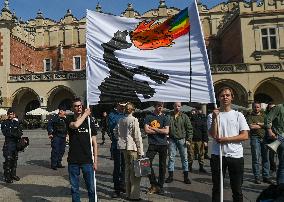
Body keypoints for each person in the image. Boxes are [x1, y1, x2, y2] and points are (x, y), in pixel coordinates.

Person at [208, 87, 249, 202]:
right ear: (218, 98)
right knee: (217, 187)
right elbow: (213, 134)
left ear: (232, 97)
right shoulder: (212, 115)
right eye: (222, 95)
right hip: (218, 155)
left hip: (235, 156)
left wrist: (226, 139)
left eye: (227, 95)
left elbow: (245, 136)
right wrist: (215, 118)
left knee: (237, 188)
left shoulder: (238, 115)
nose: (225, 97)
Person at [67, 98, 98, 202]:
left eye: (80, 105)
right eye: (76, 106)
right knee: (75, 189)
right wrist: (86, 114)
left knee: (91, 189)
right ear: (72, 108)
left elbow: (94, 142)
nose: (78, 107)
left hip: (87, 160)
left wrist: (96, 161)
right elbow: (75, 125)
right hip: (73, 160)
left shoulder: (89, 121)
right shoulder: (69, 119)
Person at [116, 102, 144, 201]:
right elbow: (137, 137)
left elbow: (116, 132)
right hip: (132, 148)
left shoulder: (120, 120)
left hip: (123, 147)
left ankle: (128, 194)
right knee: (135, 173)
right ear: (132, 110)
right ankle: (134, 196)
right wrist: (141, 151)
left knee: (127, 171)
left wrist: (121, 139)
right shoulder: (134, 120)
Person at [144, 102, 169, 194]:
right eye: (158, 106)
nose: (160, 108)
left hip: (163, 144)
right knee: (145, 163)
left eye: (161, 106)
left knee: (162, 166)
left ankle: (160, 186)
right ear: (155, 106)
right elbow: (146, 130)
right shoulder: (149, 117)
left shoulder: (165, 117)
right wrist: (160, 131)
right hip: (153, 144)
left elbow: (166, 131)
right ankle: (153, 184)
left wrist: (154, 129)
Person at [165, 102, 192, 184]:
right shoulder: (169, 116)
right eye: (176, 106)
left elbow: (189, 128)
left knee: (184, 158)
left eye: (179, 106)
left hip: (182, 140)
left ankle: (186, 177)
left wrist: (189, 139)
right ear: (173, 106)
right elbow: (165, 127)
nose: (177, 107)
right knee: (171, 158)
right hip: (172, 140)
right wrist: (166, 137)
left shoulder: (184, 116)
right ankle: (170, 176)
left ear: (181, 107)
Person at [246, 102, 272, 184]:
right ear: (253, 107)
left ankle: (266, 176)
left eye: (258, 107)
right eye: (255, 107)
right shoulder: (250, 116)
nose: (256, 108)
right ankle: (257, 177)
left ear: (260, 108)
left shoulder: (264, 116)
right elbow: (251, 126)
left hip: (264, 138)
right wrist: (263, 125)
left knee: (265, 158)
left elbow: (269, 124)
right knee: (256, 158)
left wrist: (258, 124)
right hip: (255, 138)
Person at [108, 102, 126, 197]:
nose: (123, 107)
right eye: (122, 106)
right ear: (118, 105)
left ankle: (123, 185)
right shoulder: (112, 115)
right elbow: (111, 128)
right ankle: (116, 189)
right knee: (117, 167)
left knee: (125, 166)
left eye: (124, 106)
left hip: (126, 145)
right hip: (117, 145)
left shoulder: (126, 113)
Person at [1, 108, 23, 183]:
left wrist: (15, 134)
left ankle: (13, 174)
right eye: (9, 114)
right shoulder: (4, 123)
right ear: (7, 115)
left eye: (12, 114)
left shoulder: (17, 123)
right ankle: (7, 177)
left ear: (14, 115)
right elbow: (6, 133)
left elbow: (20, 133)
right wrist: (15, 134)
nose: (10, 115)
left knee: (14, 160)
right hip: (8, 144)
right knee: (8, 160)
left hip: (15, 144)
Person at [265, 103, 284, 185]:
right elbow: (267, 119)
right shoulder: (279, 107)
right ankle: (280, 184)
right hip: (281, 138)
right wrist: (270, 131)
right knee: (283, 163)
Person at [47, 105, 68, 170]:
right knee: (55, 150)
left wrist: (67, 134)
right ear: (60, 111)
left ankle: (59, 163)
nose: (65, 113)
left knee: (62, 150)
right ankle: (54, 164)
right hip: (56, 136)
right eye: (64, 111)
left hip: (63, 136)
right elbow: (49, 125)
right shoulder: (54, 117)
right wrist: (50, 133)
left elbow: (67, 127)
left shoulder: (65, 119)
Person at [188, 107, 208, 173]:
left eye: (194, 113)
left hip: (200, 140)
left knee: (201, 154)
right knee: (190, 154)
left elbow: (205, 131)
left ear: (196, 113)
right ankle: (189, 167)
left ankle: (201, 168)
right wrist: (187, 139)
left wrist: (205, 141)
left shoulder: (201, 121)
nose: (192, 114)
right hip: (191, 140)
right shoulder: (189, 121)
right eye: (191, 113)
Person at [265, 103, 276, 172]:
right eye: (270, 108)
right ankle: (273, 168)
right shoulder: (266, 116)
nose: (272, 109)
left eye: (273, 108)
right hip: (268, 137)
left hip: (278, 137)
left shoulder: (277, 114)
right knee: (270, 156)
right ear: (268, 109)